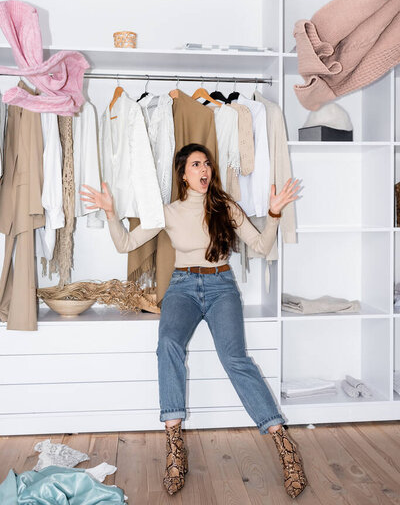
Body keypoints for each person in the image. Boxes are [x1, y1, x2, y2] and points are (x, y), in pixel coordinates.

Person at [80, 142, 308, 499]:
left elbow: (262, 247)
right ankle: (175, 448)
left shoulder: (225, 205)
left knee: (235, 358)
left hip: (221, 286)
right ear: (183, 174)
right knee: (168, 344)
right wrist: (111, 213)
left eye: (208, 164)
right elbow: (125, 243)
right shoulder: (168, 212)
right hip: (182, 287)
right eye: (197, 165)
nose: (205, 170)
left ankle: (285, 447)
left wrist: (274, 214)